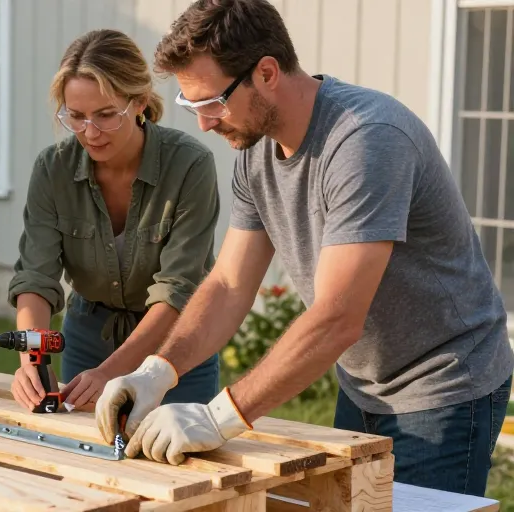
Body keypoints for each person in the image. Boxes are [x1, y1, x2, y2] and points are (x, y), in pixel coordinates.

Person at [94, 0, 514, 497]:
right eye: (193, 107)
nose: (204, 124)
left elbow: (337, 318)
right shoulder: (256, 152)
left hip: (443, 385)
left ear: (266, 72)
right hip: (363, 382)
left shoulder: (366, 140)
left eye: (212, 103)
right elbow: (229, 284)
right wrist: (157, 371)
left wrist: (219, 416)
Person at [6, 28, 222, 415]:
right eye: (75, 116)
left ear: (138, 102)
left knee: (182, 463)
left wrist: (112, 372)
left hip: (174, 345)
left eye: (106, 115)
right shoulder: (52, 169)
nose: (90, 132)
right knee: (85, 464)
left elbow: (178, 288)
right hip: (89, 334)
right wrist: (32, 359)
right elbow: (36, 277)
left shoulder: (190, 165)